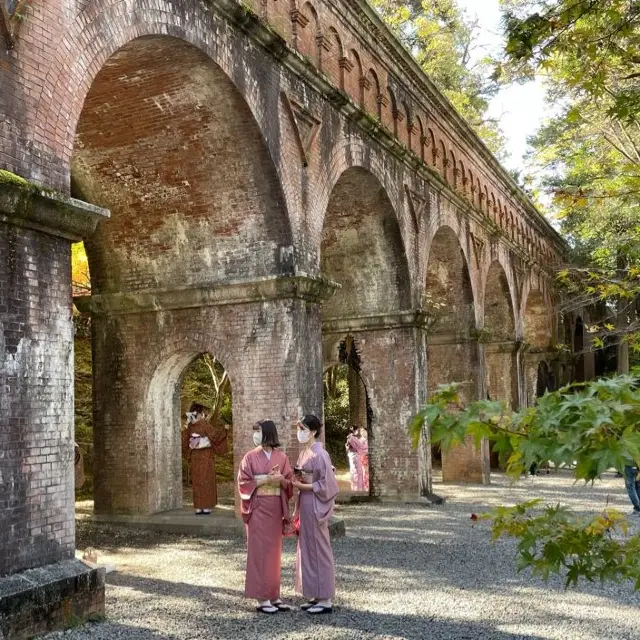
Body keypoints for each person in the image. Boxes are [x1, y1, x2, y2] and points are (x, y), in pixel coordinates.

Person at [238, 420, 293, 614]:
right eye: (254, 432)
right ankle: (262, 598)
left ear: (268, 434)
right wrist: (264, 479)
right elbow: (243, 482)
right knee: (259, 552)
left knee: (274, 553)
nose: (255, 435)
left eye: (258, 431)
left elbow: (290, 483)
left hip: (275, 508)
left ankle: (273, 595)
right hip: (258, 508)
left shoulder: (282, 457)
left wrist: (282, 480)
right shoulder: (249, 457)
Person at [292, 414, 339, 615]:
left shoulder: (320, 454)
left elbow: (327, 483)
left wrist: (304, 484)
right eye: (298, 429)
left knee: (319, 547)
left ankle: (326, 598)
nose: (299, 433)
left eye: (302, 429)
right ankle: (314, 593)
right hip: (305, 500)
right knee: (307, 547)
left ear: (312, 432)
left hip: (315, 500)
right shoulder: (305, 452)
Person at [182, 402, 228, 514]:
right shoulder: (204, 424)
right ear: (200, 413)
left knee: (197, 481)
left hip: (195, 457)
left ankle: (198, 507)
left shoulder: (190, 427)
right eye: (203, 413)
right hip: (206, 456)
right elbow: (216, 437)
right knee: (207, 480)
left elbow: (184, 442)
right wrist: (225, 430)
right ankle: (206, 507)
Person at [345, 426, 368, 492]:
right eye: (359, 430)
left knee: (355, 472)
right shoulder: (353, 438)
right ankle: (359, 489)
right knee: (359, 473)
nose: (359, 432)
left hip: (353, 456)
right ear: (355, 431)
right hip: (356, 456)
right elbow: (361, 447)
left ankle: (356, 488)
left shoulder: (349, 438)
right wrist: (366, 450)